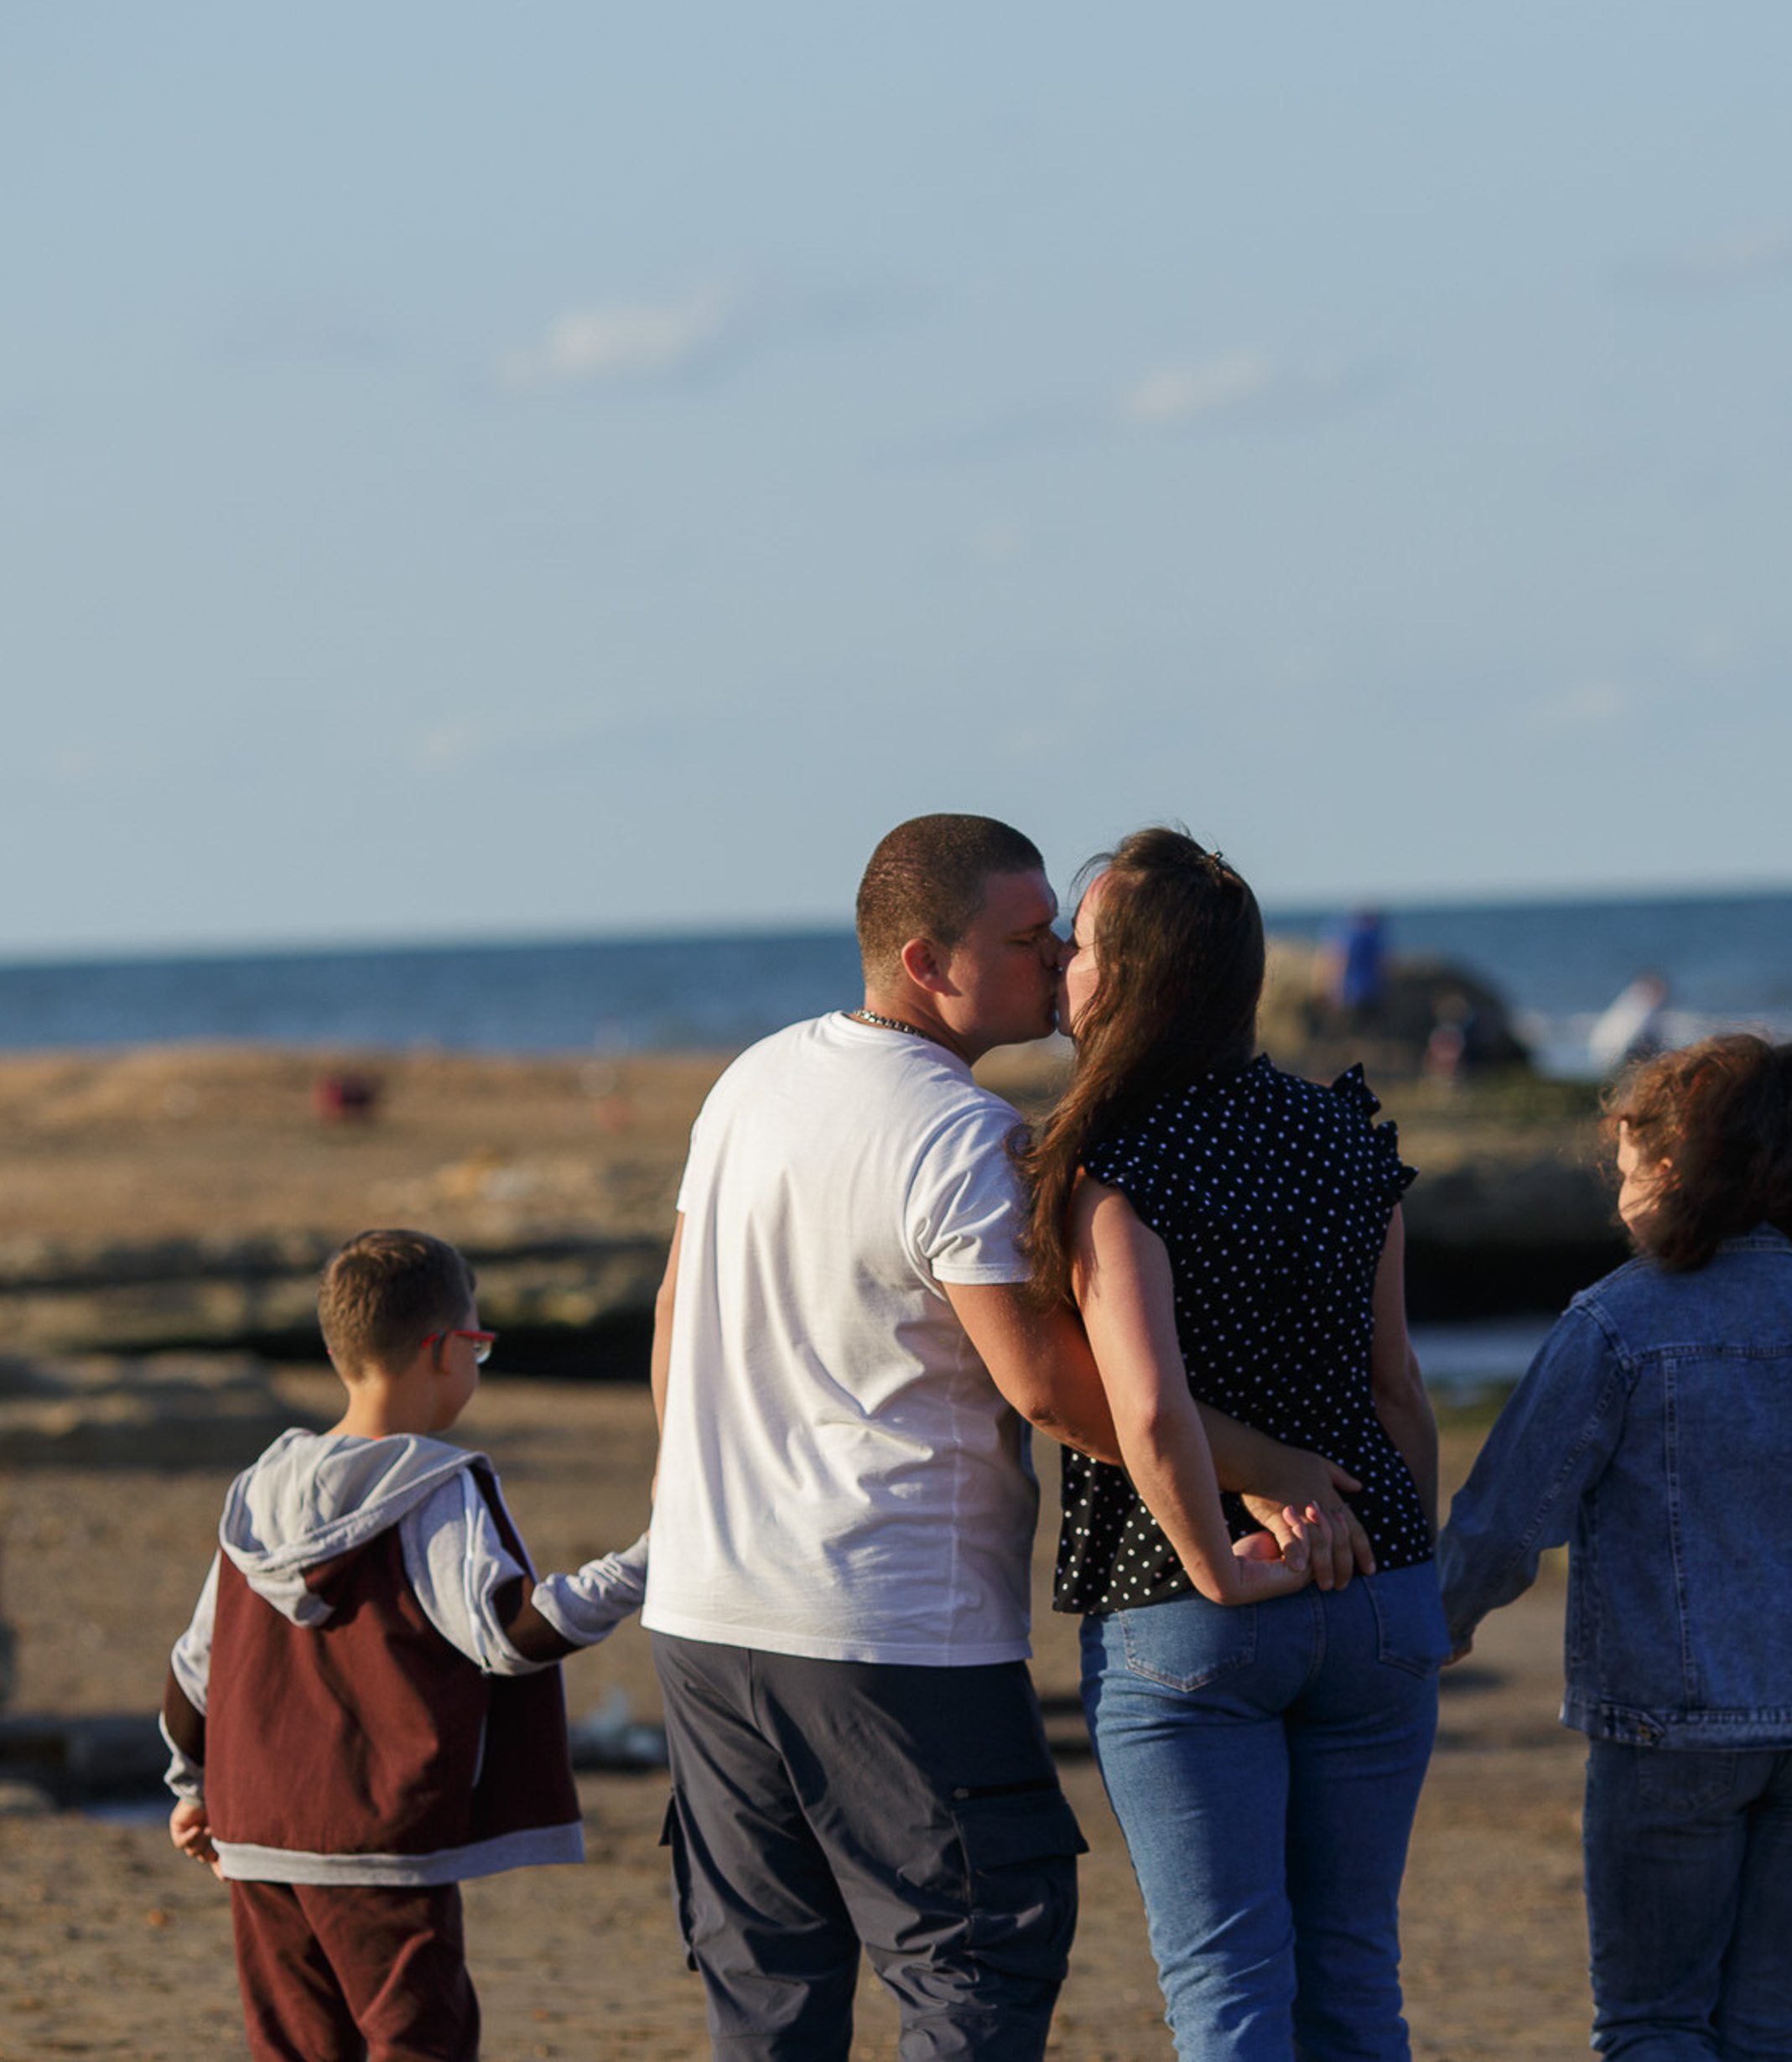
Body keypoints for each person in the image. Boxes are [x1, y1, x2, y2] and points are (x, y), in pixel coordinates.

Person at [644, 813, 1358, 2061]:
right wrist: (1275, 1468)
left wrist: (719, 1493)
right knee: (980, 1955)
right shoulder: (959, 1135)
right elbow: (1046, 1390)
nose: (1060, 960)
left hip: (708, 1612)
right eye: (1030, 940)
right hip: (889, 1624)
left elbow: (672, 1323)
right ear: (928, 961)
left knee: (767, 1993)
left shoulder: (751, 1080)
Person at [1438, 1033, 1792, 2060]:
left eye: (1626, 1167)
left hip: (1670, 1729)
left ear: (1676, 1167)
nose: (1618, 1195)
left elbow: (1506, 1519)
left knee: (1653, 2022)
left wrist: (1437, 1624)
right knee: (1777, 2028)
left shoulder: (1614, 1324)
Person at [1017, 827, 1447, 2062]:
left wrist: (1213, 1559)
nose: (1060, 962)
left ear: (1137, 978)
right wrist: (1413, 1584)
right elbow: (1397, 1385)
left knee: (1229, 1991)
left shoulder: (1117, 1158)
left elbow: (1145, 1410)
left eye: (1083, 943)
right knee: (1356, 1973)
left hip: (1187, 1599)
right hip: (1373, 1589)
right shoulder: (1342, 1137)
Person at [161, 1228, 650, 2062]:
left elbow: (194, 1669)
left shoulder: (256, 1490)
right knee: (419, 2039)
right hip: (375, 1839)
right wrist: (648, 1564)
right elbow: (506, 1634)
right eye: (481, 1344)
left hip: (256, 1834)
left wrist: (191, 1784)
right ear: (442, 1350)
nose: (477, 1362)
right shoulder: (433, 1487)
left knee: (297, 2048)